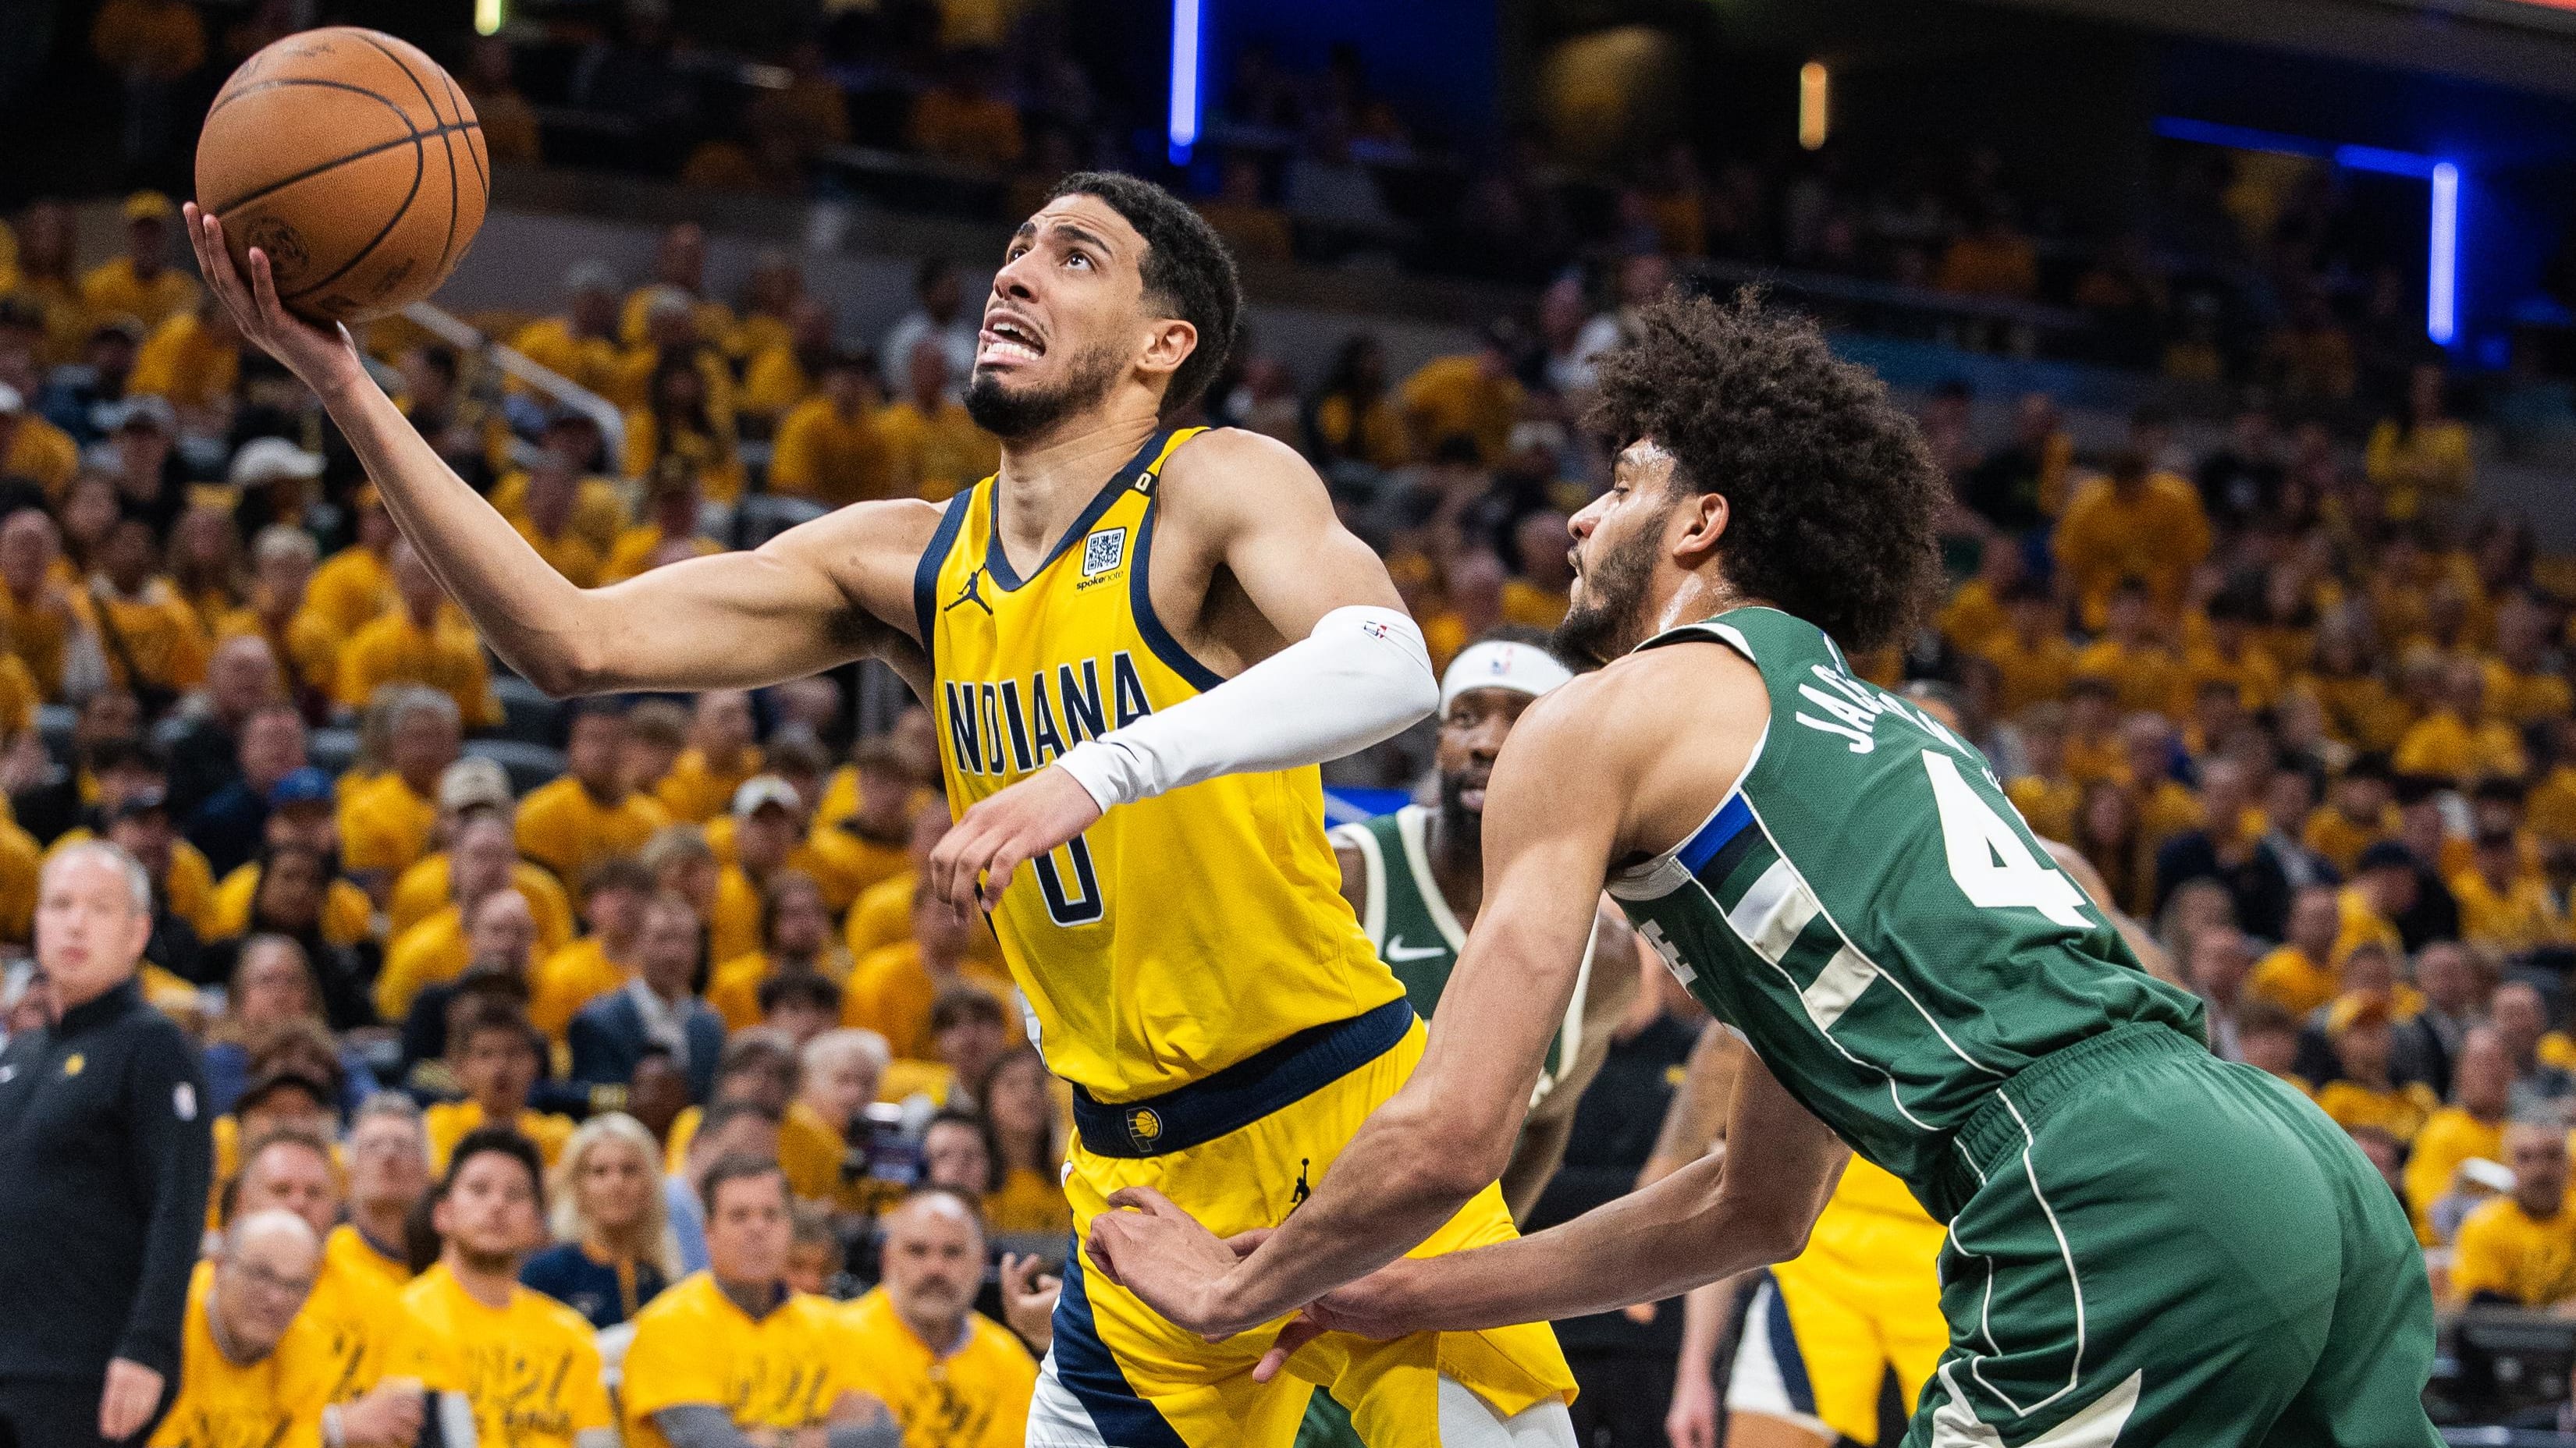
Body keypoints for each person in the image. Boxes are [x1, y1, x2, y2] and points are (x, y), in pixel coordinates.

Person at [192, 169, 1571, 1445]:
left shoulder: (1212, 483)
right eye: (1015, 248)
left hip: (1333, 1123)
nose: (1016, 274)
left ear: (1162, 346)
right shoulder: (908, 561)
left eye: (1073, 256)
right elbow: (570, 642)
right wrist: (347, 390)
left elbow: (1392, 664)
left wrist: (1092, 772)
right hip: (1127, 1186)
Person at [1088, 291, 2442, 1447]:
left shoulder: (1597, 720)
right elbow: (1755, 1207)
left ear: (1699, 523)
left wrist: (1241, 1285)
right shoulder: (1876, 734)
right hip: (2290, 1163)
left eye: (1620, 485)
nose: (1575, 518)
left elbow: (1452, 1134)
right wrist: (1390, 1294)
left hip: (2094, 1185)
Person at [1327, 628, 1638, 1218]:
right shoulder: (1346, 877)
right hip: (1284, 1239)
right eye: (1465, 719)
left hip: (1432, 1276)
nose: (1486, 744)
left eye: (1520, 720)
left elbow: (1545, 1127)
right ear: (1439, 741)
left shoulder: (1603, 958)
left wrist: (1474, 1265)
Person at [0, 841, 212, 1448]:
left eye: (99, 908)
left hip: (84, 1371)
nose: (74, 923)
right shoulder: (20, 1055)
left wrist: (148, 1346)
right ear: (36, 922)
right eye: (60, 905)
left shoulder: (152, 1047)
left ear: (137, 932)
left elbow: (179, 1204)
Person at [622, 1157, 894, 1448]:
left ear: (789, 1228)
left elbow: (884, 1436)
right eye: (739, 1216)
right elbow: (714, 1443)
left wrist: (773, 1438)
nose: (757, 1229)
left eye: (771, 1215)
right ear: (709, 1232)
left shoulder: (835, 1325)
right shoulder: (668, 1325)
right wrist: (822, 1436)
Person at [404, 1129, 617, 1448]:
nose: (497, 1205)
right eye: (479, 1190)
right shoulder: (402, 1319)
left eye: (515, 1194)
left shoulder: (573, 1336)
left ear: (537, 1224)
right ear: (443, 1213)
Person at [226, 1127, 431, 1446]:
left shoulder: (381, 1301)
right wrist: (333, 1428)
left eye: (315, 1192)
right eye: (281, 1189)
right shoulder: (206, 1292)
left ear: (338, 1205)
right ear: (242, 1202)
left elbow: (398, 1422)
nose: (298, 1202)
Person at [840, 1191, 1039, 1448]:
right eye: (917, 1251)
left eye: (953, 1252)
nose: (935, 1268)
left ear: (981, 1263)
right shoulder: (834, 1339)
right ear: (887, 1259)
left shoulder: (1011, 1361)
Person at [144, 1210, 332, 1448]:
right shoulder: (166, 1323)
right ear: (220, 1266)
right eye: (260, 1275)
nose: (276, 1299)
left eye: (295, 1286)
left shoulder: (310, 1351)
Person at [521, 1112, 677, 1329]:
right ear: (577, 1186)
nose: (617, 1184)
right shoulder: (545, 1275)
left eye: (630, 1170)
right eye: (600, 1172)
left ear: (650, 1183)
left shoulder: (667, 1275)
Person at [568, 892, 726, 1104]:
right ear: (638, 944)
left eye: (685, 941)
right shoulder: (597, 1021)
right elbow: (583, 1104)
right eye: (663, 939)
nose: (674, 953)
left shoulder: (710, 1025)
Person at [423, 1000, 575, 1171]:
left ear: (535, 1065)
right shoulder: (439, 1124)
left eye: (513, 1053)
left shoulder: (558, 1135)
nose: (501, 1067)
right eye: (485, 1054)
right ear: (460, 1068)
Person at [2450, 1120, 2576, 1308]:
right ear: (2508, 1166)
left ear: (2569, 1165)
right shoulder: (2483, 1226)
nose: (2540, 1170)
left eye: (2552, 1156)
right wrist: (2554, 1316)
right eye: (2525, 1158)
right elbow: (2482, 1310)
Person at [335, 1096, 432, 1290]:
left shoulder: (450, 1261)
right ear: (350, 1170)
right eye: (374, 1145)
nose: (388, 1155)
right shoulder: (326, 1259)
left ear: (426, 1170)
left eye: (402, 1145)